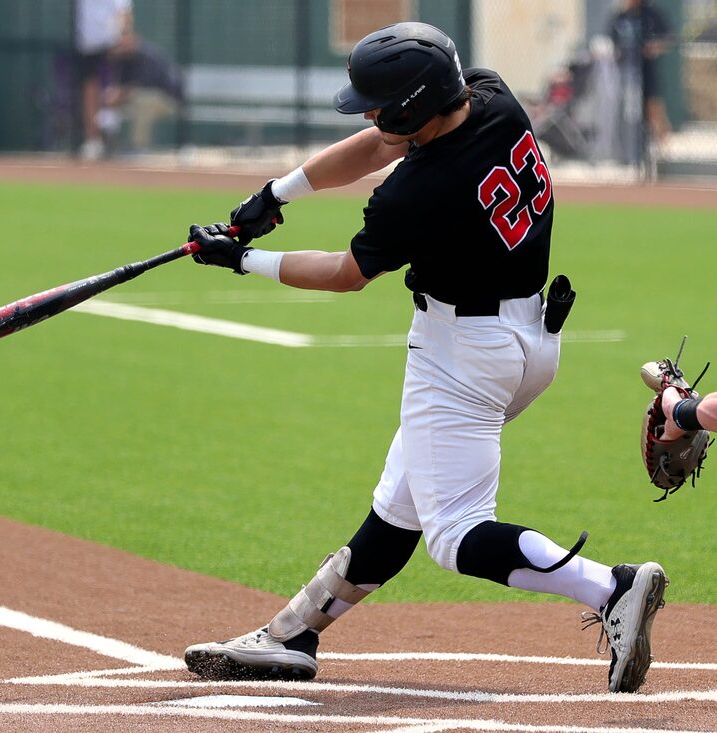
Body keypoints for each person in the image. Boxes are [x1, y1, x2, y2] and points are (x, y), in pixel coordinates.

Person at [182, 22, 668, 694]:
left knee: (456, 535)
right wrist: (278, 194)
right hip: (528, 343)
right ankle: (291, 634)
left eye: (383, 107)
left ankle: (610, 586)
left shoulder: (418, 191)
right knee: (397, 509)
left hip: (462, 356)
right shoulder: (493, 100)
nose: (375, 118)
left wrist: (243, 258)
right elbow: (378, 144)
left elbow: (346, 272)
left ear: (414, 107)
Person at [74, 0, 135, 160]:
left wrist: (123, 36)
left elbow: (124, 13)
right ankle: (93, 141)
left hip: (111, 46)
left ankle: (111, 139)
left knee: (113, 91)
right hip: (86, 46)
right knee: (90, 91)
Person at [609, 0, 672, 148]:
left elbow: (667, 37)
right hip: (626, 72)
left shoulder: (651, 14)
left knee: (653, 107)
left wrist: (655, 47)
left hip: (647, 69)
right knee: (629, 111)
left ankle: (664, 145)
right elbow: (612, 41)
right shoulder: (621, 17)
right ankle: (632, 147)